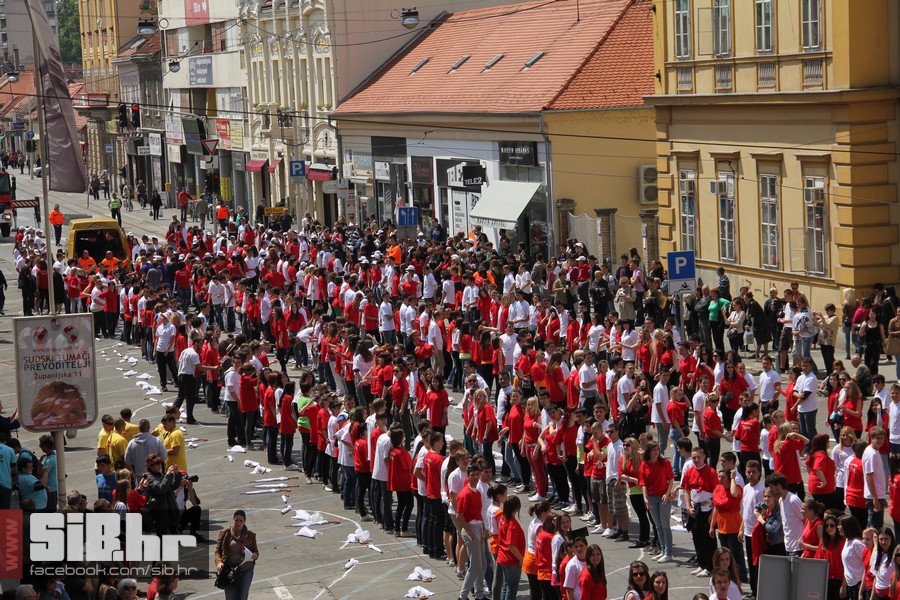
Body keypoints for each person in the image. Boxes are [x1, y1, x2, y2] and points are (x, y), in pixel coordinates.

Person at [215, 509, 259, 600]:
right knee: (231, 597)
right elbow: (217, 552)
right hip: (230, 570)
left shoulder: (250, 535)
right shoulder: (226, 533)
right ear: (233, 520)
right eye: (236, 520)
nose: (238, 523)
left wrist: (255, 555)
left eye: (241, 521)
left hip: (246, 570)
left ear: (244, 522)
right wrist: (219, 562)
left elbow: (256, 552)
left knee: (242, 597)